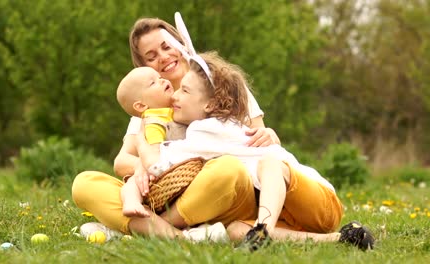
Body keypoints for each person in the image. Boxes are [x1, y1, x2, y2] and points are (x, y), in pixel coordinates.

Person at [136, 51, 374, 251]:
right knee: (236, 231)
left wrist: (141, 131)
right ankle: (341, 239)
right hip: (290, 216)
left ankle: (263, 231)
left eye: (184, 91)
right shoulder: (210, 129)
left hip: (318, 202)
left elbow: (157, 163)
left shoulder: (207, 129)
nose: (175, 95)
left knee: (270, 163)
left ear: (209, 104)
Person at [72, 16, 278, 242]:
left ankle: (144, 228)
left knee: (228, 169)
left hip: (218, 192)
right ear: (145, 68)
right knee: (84, 184)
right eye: (151, 57)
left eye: (166, 46)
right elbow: (121, 162)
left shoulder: (224, 85)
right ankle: (184, 237)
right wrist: (147, 163)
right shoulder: (150, 108)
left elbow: (265, 143)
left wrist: (269, 135)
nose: (163, 57)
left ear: (181, 45)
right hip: (167, 195)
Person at [116, 66, 186, 218]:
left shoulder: (175, 109)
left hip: (178, 173)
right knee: (134, 183)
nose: (162, 81)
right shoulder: (154, 119)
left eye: (159, 77)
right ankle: (132, 203)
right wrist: (149, 164)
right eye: (153, 83)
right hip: (158, 170)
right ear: (141, 106)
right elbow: (155, 147)